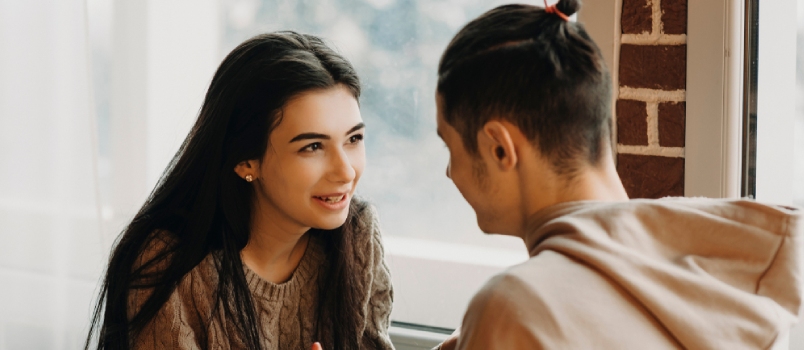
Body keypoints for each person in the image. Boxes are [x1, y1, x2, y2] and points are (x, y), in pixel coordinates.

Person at [433, 1, 803, 349]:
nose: (450, 173)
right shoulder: (714, 282)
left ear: (500, 148)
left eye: (450, 147)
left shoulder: (516, 308)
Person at [86, 32, 394, 350]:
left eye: (354, 139)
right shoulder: (172, 266)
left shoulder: (357, 235)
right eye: (313, 146)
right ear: (246, 162)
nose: (346, 171)